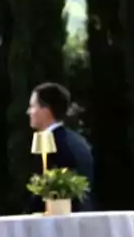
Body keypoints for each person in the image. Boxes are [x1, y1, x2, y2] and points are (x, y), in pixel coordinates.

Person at [26, 81, 95, 212]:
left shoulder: (51, 145)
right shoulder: (78, 141)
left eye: (32, 106)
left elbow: (45, 193)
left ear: (46, 111)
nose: (29, 112)